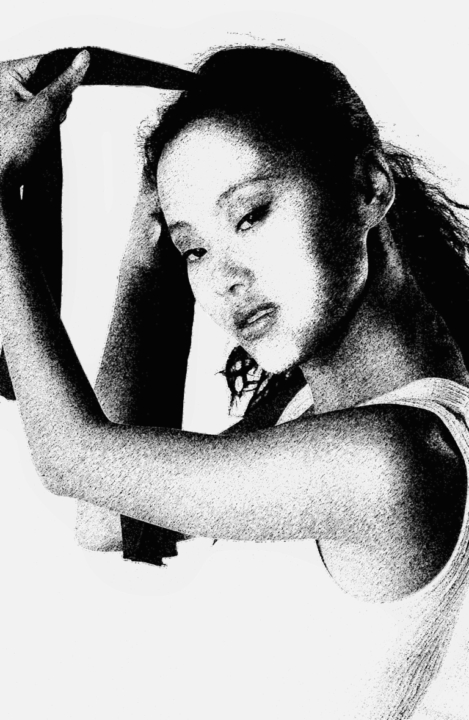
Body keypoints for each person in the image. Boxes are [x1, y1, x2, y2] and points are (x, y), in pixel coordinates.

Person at [0, 45, 468, 719]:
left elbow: (72, 458)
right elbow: (112, 519)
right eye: (195, 249)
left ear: (368, 188)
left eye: (249, 215)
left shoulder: (392, 459)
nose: (223, 278)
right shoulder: (307, 408)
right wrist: (143, 261)